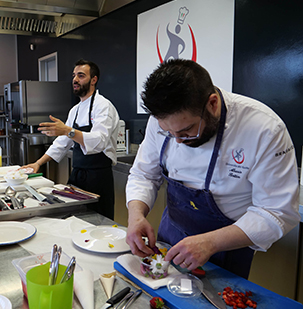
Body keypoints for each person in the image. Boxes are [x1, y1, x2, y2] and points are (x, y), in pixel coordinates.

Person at [125, 59, 300, 278]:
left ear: (213, 104)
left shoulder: (264, 129)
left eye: (187, 130)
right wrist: (135, 216)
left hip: (227, 246)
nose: (177, 141)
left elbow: (277, 211)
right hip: (172, 231)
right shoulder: (163, 119)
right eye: (169, 133)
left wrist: (210, 242)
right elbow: (144, 174)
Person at [23, 59, 120, 219]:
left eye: (81, 76)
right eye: (74, 75)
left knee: (99, 220)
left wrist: (68, 131)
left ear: (93, 80)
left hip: (98, 177)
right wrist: (38, 163)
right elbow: (62, 143)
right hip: (77, 175)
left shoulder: (104, 106)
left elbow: (99, 141)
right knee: (76, 218)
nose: (75, 79)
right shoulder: (74, 110)